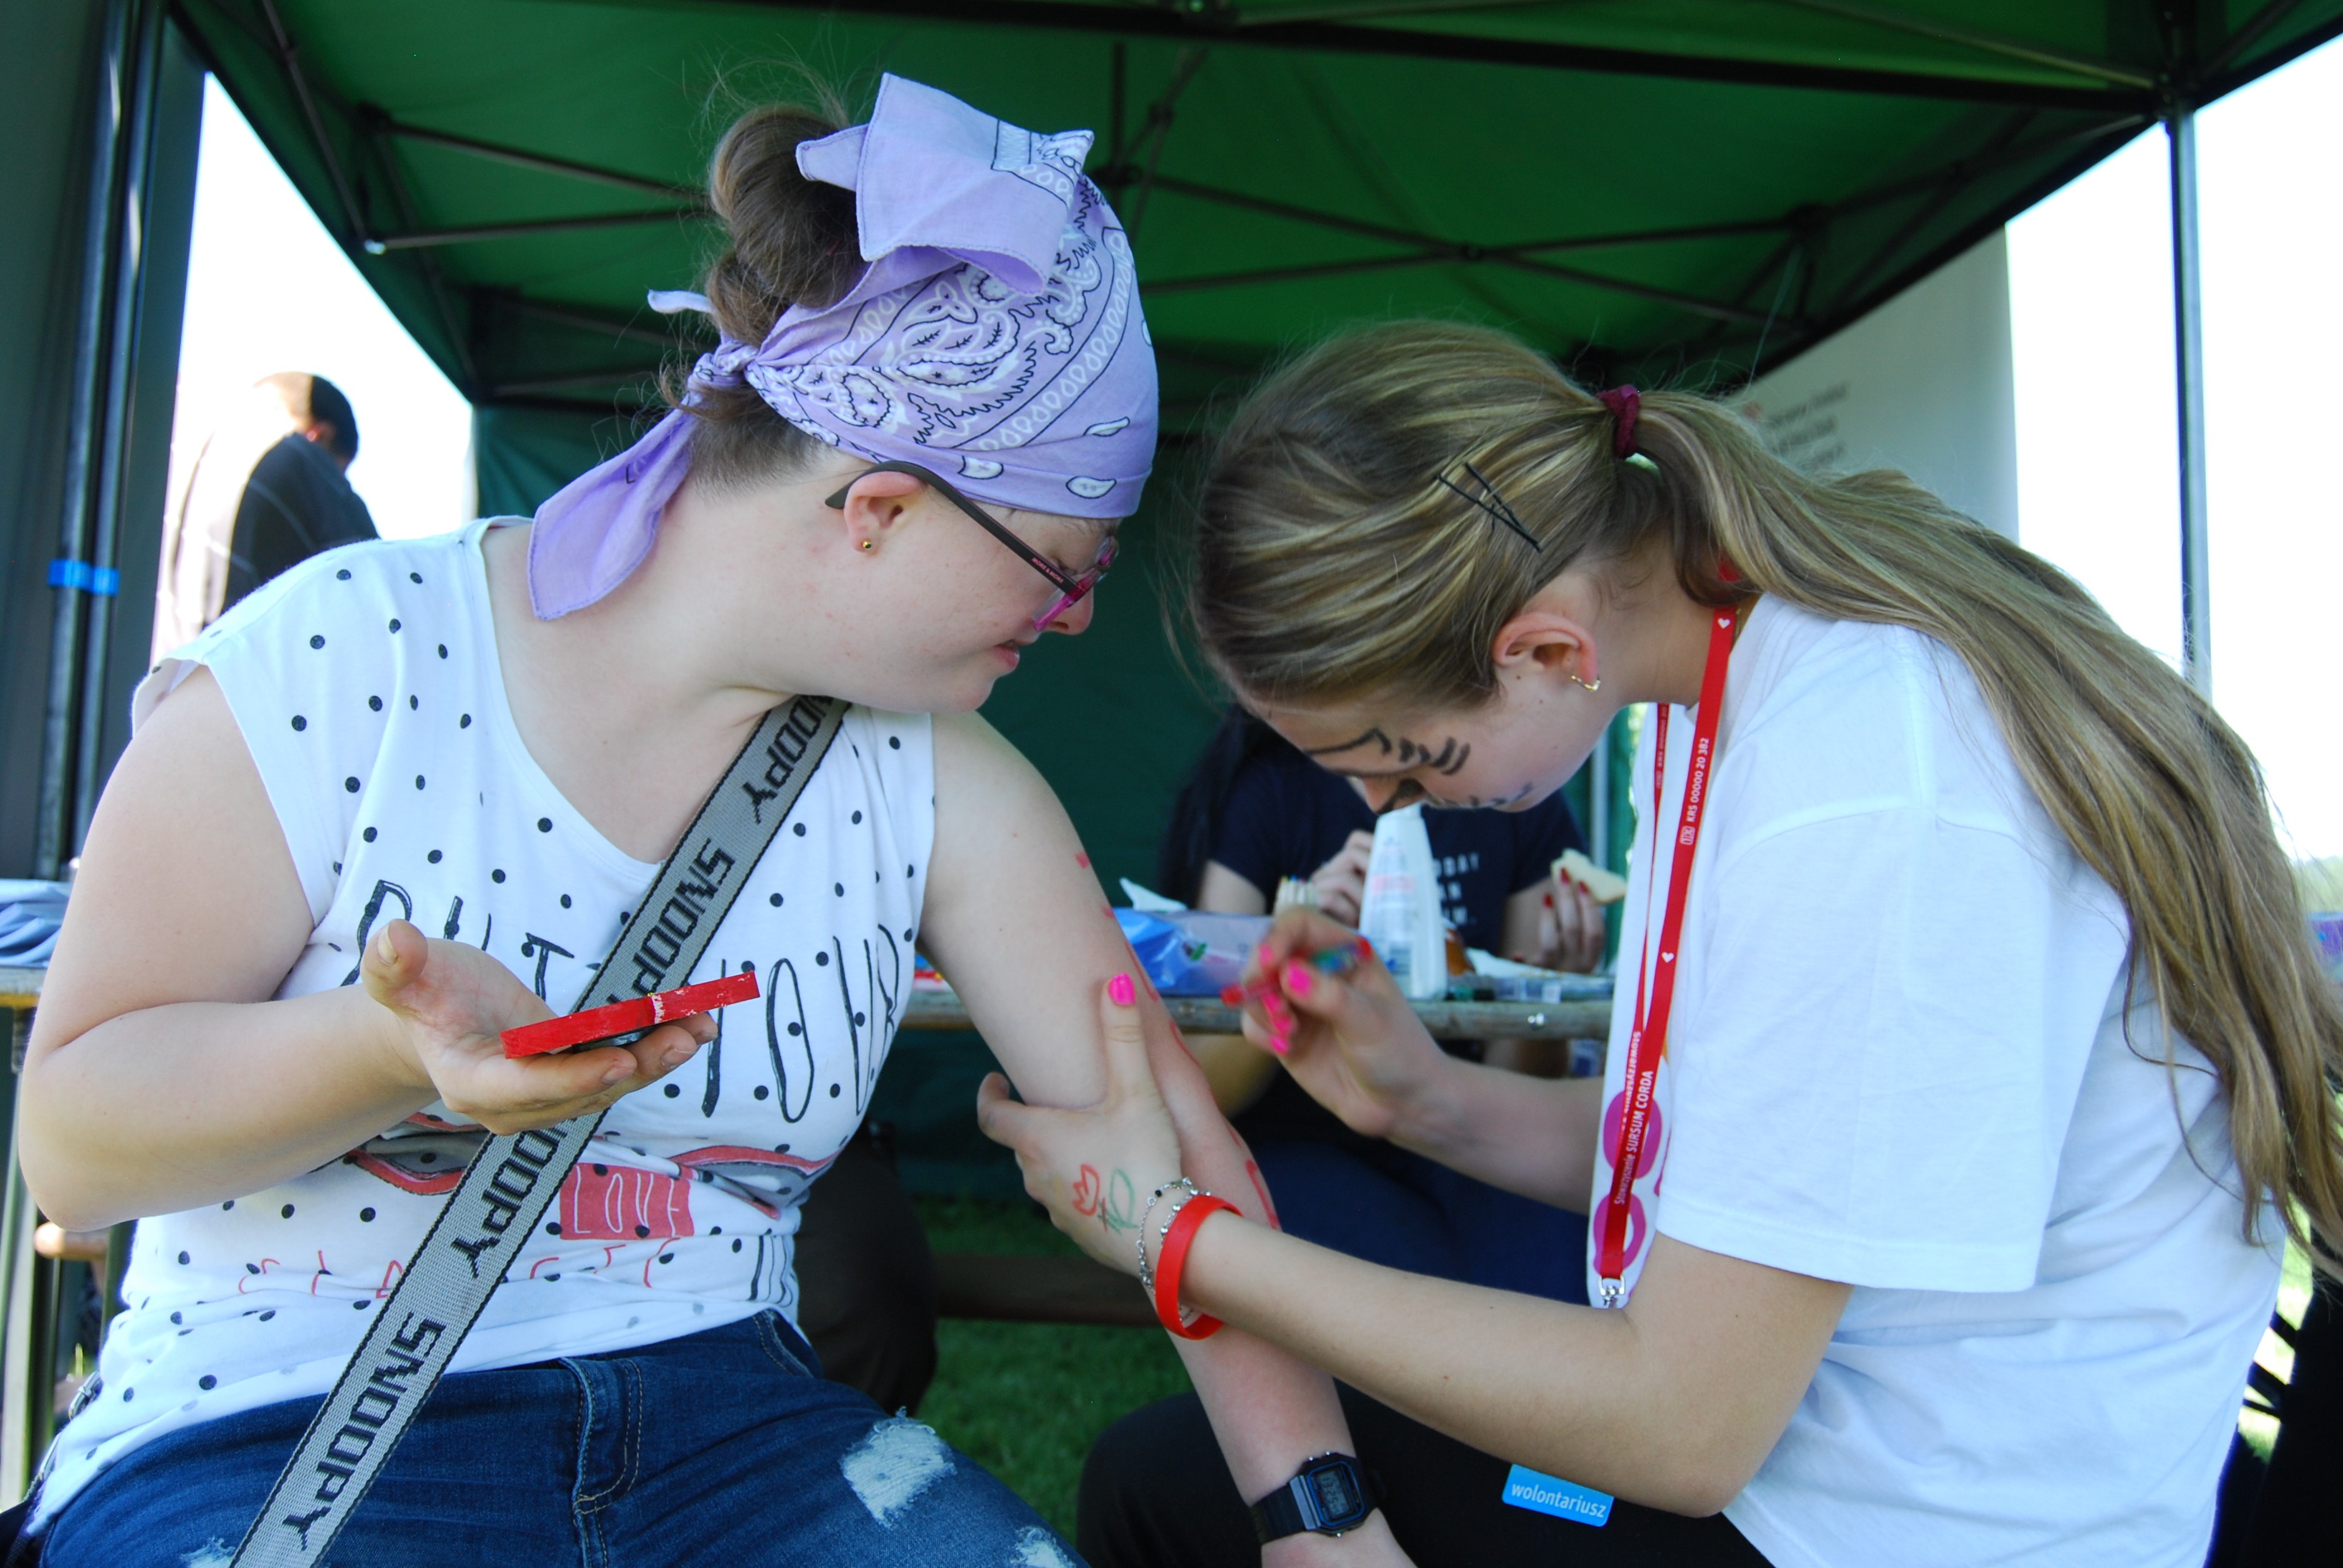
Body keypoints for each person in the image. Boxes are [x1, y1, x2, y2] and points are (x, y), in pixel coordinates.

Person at [20, 78, 1398, 1567]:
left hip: (730, 1433)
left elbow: (1168, 1139)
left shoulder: (938, 773)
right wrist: (382, 1051)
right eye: (1063, 571)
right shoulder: (343, 658)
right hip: (276, 1419)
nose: (1068, 623)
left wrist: (1322, 1526)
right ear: (878, 510)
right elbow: (74, 1142)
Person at [977, 320, 2343, 1567]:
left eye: (1399, 756)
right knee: (1172, 1472)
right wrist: (1430, 1100)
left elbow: (1683, 1427)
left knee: (1169, 1495)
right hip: (1829, 1473)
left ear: (1544, 650)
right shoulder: (1743, 675)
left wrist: (1173, 1234)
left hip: (1908, 1529)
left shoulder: (1861, 779)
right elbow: (1744, 1150)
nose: (1387, 806)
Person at [1160, 706, 1602, 1301]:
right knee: (1423, 1291)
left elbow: (1518, 1081)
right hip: (1307, 1137)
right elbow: (1208, 1081)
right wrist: (1291, 951)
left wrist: (1550, 985)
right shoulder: (1272, 790)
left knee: (1546, 1283)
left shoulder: (1511, 788)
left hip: (1465, 1123)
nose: (1382, 794)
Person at [156, 372, 378, 655]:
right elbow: (376, 589)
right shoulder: (301, 456)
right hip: (217, 673)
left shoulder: (177, 427)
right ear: (319, 435)